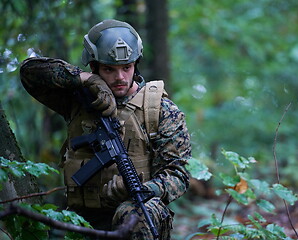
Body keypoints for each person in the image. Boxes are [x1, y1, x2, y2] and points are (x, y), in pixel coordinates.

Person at [20, 19, 191, 239]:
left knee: (135, 213)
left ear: (135, 65)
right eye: (109, 69)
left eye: (126, 68)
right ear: (94, 66)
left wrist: (143, 189)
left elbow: (178, 174)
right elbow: (30, 72)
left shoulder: (160, 109)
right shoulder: (78, 99)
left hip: (138, 211)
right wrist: (88, 81)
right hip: (83, 214)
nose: (120, 77)